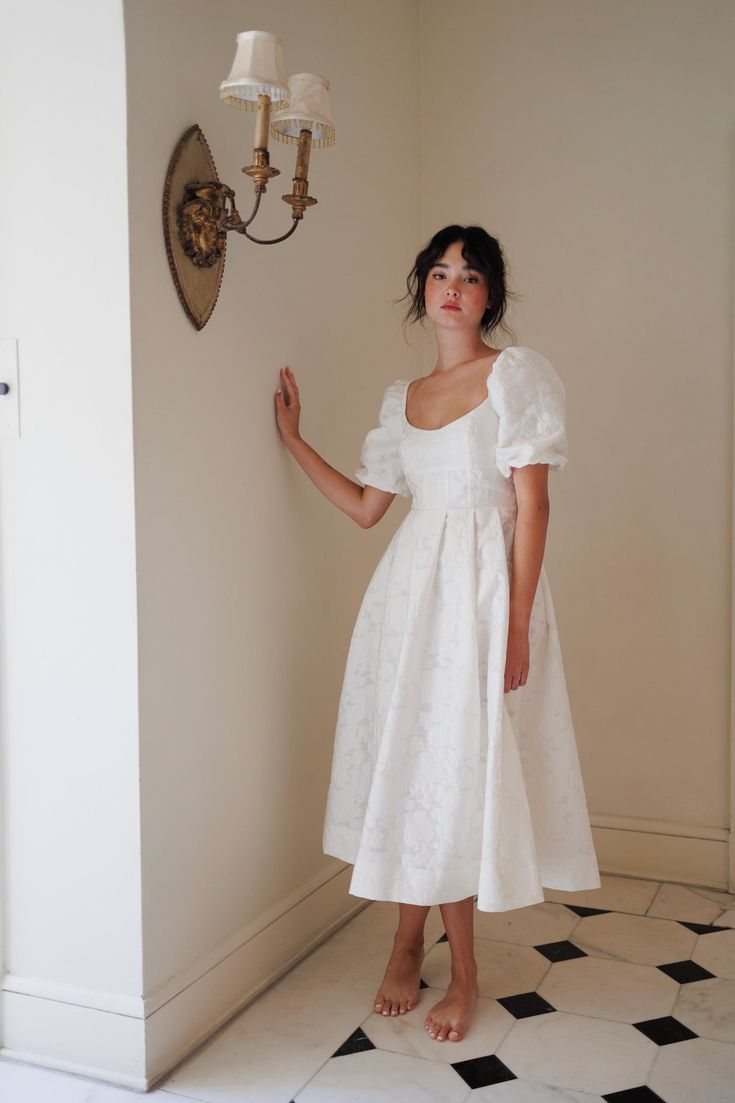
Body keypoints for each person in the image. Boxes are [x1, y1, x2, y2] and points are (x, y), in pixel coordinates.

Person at [274, 224, 601, 1045]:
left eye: (471, 275)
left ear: (491, 294)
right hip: (407, 602)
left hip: (484, 597)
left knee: (460, 772)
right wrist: (293, 440)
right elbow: (365, 507)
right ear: (421, 286)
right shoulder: (401, 399)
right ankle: (404, 937)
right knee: (412, 767)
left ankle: (464, 970)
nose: (452, 287)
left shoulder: (513, 375)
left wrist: (517, 624)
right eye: (440, 273)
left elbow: (533, 505)